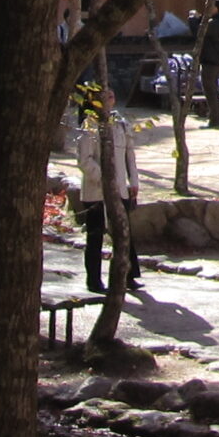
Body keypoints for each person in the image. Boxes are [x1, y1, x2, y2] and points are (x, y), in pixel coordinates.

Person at [75, 97, 141, 295]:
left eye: (112, 97)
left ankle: (128, 275)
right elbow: (84, 161)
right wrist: (105, 178)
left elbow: (130, 155)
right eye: (105, 97)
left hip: (120, 188)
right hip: (96, 191)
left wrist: (134, 181)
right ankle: (94, 281)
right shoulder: (89, 127)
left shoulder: (120, 123)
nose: (110, 101)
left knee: (124, 232)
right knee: (95, 236)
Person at [197, 0, 219, 129]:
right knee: (212, 90)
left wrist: (193, 20)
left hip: (211, 60)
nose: (207, 8)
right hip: (213, 59)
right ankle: (217, 118)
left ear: (216, 8)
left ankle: (214, 119)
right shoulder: (217, 22)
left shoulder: (215, 23)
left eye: (210, 6)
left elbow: (199, 31)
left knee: (210, 90)